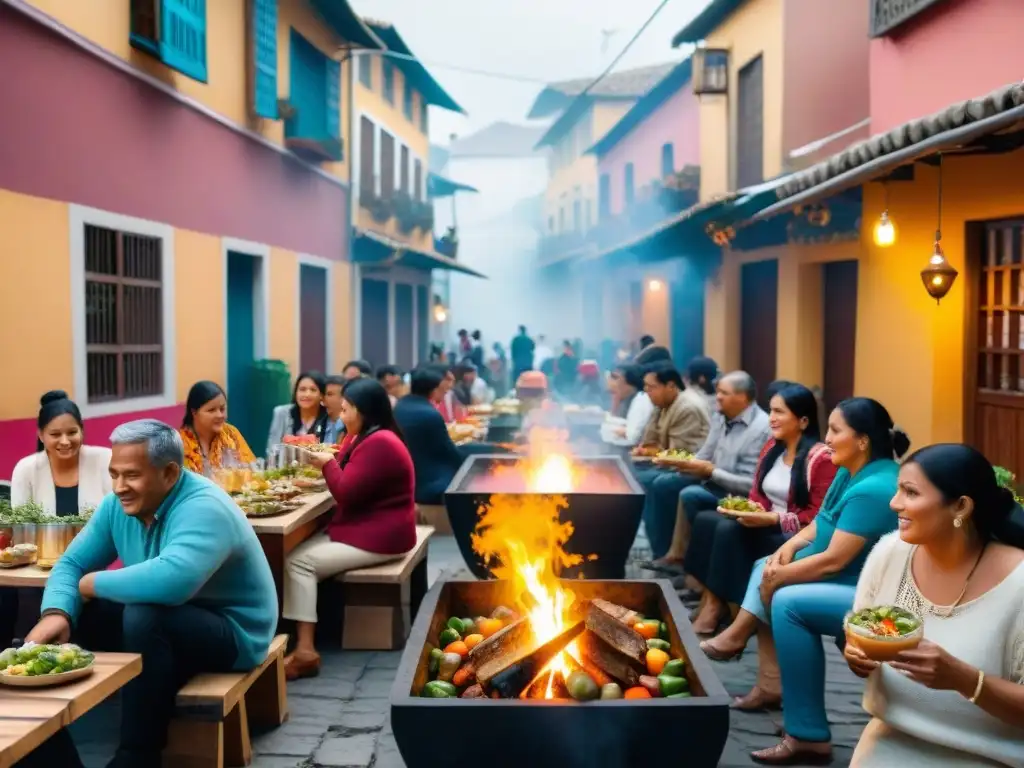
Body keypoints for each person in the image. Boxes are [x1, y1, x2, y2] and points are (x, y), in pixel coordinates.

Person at [23, 419, 277, 768]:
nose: (119, 486)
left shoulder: (204, 506)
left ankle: (138, 755)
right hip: (169, 623)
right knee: (44, 638)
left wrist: (89, 585)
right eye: (114, 474)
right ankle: (42, 751)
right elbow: (70, 565)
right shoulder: (119, 506)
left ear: (170, 473)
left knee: (145, 615)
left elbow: (172, 582)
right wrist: (56, 613)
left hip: (233, 632)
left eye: (131, 475)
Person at [737, 398, 907, 764]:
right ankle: (779, 694)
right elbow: (820, 523)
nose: (826, 438)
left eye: (835, 430)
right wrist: (791, 546)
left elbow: (833, 561)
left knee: (787, 601)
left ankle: (807, 733)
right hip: (848, 579)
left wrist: (780, 576)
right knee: (767, 567)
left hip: (869, 594)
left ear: (862, 440)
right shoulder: (849, 470)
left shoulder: (874, 487)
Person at [845, 444, 1024, 767]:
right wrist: (855, 652)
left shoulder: (1019, 583)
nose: (894, 502)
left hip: (992, 758)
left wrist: (964, 679)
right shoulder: (890, 553)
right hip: (889, 740)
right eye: (898, 489)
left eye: (910, 493)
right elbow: (859, 626)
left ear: (960, 507)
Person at [282, 379, 415, 679]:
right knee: (297, 548)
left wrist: (328, 462)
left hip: (382, 536)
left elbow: (345, 491)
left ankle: (305, 650)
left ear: (363, 411)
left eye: (345, 410)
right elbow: (349, 473)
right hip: (373, 528)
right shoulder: (366, 437)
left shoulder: (381, 443)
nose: (340, 417)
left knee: (297, 562)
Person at [687, 384, 836, 634]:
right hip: (765, 524)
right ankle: (711, 597)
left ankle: (715, 606)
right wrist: (753, 510)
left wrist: (773, 519)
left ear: (803, 421)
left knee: (727, 530)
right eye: (771, 411)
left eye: (779, 412)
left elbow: (817, 515)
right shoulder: (772, 449)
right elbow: (757, 495)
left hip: (795, 535)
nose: (772, 418)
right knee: (706, 519)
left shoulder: (820, 458)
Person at [646, 371, 770, 572]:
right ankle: (666, 554)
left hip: (736, 492)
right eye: (718, 391)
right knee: (664, 483)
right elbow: (705, 454)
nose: (717, 397)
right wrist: (681, 463)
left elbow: (749, 484)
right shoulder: (721, 416)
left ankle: (688, 564)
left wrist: (710, 471)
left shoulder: (761, 428)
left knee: (690, 495)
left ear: (743, 397)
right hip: (711, 480)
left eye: (724, 393)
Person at [633, 359, 719, 561]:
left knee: (659, 483)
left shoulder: (687, 407)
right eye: (645, 387)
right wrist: (646, 451)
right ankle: (657, 545)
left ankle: (664, 553)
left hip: (696, 470)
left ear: (671, 385)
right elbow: (650, 441)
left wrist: (652, 453)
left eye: (651, 387)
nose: (647, 392)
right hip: (673, 465)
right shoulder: (663, 403)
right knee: (636, 476)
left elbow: (681, 456)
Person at [11, 390, 112, 514]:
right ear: (41, 435)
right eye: (55, 434)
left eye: (72, 433)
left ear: (82, 430)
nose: (65, 441)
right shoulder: (25, 469)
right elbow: (21, 527)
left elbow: (120, 515)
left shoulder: (106, 460)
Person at [394, 367, 471, 505]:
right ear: (434, 389)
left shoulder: (401, 405)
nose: (446, 391)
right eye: (443, 388)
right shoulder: (429, 413)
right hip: (427, 485)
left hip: (405, 479)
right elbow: (451, 454)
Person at [178, 381, 255, 475]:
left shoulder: (231, 434)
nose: (219, 415)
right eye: (211, 410)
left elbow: (252, 471)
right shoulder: (180, 445)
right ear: (194, 412)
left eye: (222, 409)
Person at [266, 371, 329, 454]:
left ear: (321, 395)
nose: (307, 394)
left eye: (313, 390)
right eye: (302, 389)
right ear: (296, 392)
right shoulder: (281, 413)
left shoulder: (328, 416)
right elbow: (272, 448)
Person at [602, 364, 653, 448]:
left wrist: (616, 430)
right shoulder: (627, 399)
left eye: (615, 378)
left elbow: (632, 436)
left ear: (631, 384)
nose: (610, 383)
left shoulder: (642, 400)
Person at [322, 375, 347, 444]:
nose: (324, 398)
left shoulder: (351, 426)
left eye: (329, 394)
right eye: (325, 394)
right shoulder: (320, 423)